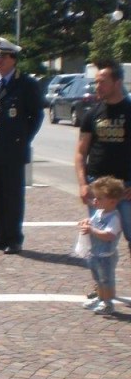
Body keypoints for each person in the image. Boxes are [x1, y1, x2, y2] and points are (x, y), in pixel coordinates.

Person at [0, 37, 45, 255]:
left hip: (13, 149)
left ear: (13, 59)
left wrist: (22, 138)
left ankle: (14, 238)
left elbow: (36, 116)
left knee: (12, 194)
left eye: (2, 57)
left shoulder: (26, 83)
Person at [74, 60, 131, 271]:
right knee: (99, 242)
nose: (97, 86)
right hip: (97, 187)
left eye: (102, 82)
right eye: (96, 82)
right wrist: (83, 184)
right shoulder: (92, 113)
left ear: (117, 82)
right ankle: (102, 285)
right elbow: (81, 152)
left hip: (126, 187)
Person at [79, 176, 125, 315]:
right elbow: (93, 221)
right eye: (95, 197)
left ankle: (108, 303)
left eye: (99, 198)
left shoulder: (114, 217)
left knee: (106, 280)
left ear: (112, 201)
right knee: (98, 279)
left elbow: (109, 235)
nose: (95, 200)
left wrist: (92, 230)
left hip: (106, 256)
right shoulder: (99, 212)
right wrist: (87, 222)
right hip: (95, 253)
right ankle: (100, 298)